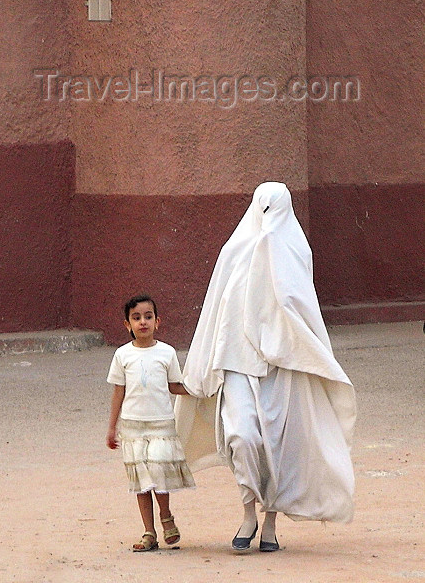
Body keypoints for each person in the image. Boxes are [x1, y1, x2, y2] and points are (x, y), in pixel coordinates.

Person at [175, 182, 357, 552]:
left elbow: (302, 306)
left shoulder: (294, 250)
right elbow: (215, 308)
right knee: (242, 436)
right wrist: (201, 363)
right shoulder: (235, 250)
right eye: (264, 209)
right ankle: (248, 510)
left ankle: (270, 520)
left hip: (285, 363)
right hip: (238, 360)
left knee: (279, 445)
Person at [106, 294, 195, 552]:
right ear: (127, 324)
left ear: (158, 321)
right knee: (141, 481)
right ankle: (149, 532)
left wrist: (201, 389)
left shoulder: (167, 353)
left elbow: (175, 386)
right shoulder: (122, 355)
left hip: (161, 426)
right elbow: (118, 392)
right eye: (136, 318)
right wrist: (112, 427)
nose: (143, 322)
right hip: (133, 427)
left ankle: (166, 517)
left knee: (158, 472)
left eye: (148, 317)